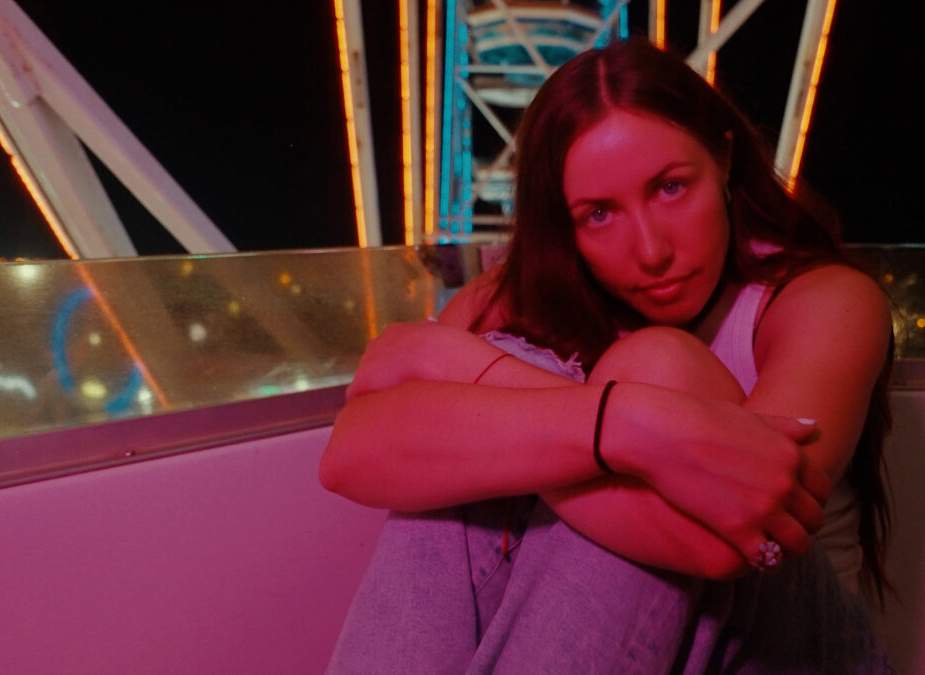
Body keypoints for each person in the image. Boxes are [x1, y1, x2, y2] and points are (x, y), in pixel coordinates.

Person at [321, 37, 894, 673]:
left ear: (724, 158)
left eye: (671, 187)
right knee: (456, 478)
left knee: (649, 370)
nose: (651, 251)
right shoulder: (521, 291)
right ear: (563, 225)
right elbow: (347, 457)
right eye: (599, 214)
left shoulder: (826, 301)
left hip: (801, 656)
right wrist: (622, 430)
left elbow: (744, 525)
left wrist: (505, 394)